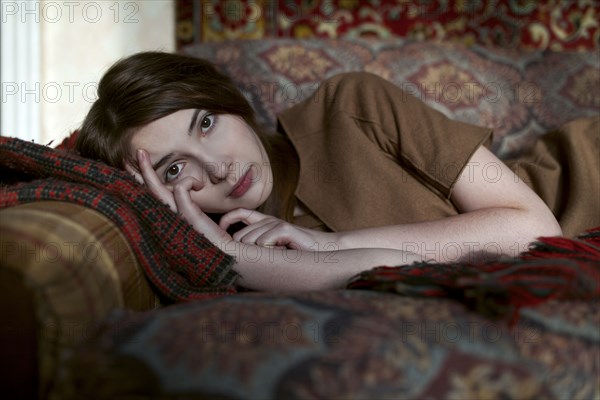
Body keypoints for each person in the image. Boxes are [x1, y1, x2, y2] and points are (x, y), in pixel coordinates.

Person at [76, 51, 599, 291]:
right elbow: (410, 267)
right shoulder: (254, 259)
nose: (217, 167)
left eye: (206, 122)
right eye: (173, 169)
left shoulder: (349, 106)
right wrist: (229, 251)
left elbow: (533, 231)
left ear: (228, 101)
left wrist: (327, 243)